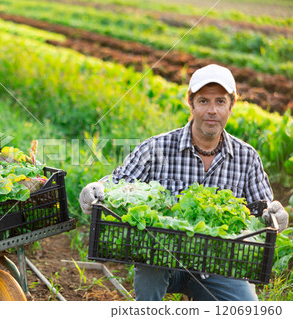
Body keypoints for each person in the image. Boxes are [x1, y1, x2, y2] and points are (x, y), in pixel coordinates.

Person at [79, 64, 289, 301]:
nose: (212, 110)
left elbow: (264, 210)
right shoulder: (157, 147)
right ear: (190, 103)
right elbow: (118, 184)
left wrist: (276, 216)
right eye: (203, 101)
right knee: (149, 266)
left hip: (219, 266)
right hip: (161, 259)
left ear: (231, 106)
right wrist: (96, 188)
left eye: (220, 102)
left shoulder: (246, 157)